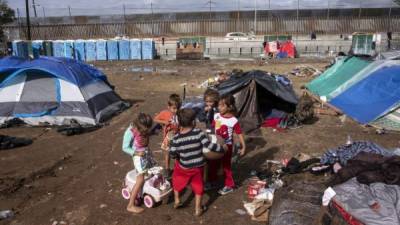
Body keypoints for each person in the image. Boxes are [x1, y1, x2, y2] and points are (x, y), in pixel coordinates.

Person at [169, 108, 226, 216]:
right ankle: (198, 209)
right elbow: (209, 145)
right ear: (194, 122)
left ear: (179, 123)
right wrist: (221, 148)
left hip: (184, 166)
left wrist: (177, 155)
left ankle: (177, 200)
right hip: (197, 167)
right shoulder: (199, 133)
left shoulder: (176, 139)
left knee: (176, 179)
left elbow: (172, 154)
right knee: (198, 185)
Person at [208, 95, 246, 195]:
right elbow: (212, 128)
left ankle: (229, 185)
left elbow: (239, 133)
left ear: (229, 107)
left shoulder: (233, 120)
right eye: (218, 105)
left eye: (222, 105)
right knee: (213, 163)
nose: (219, 107)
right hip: (216, 145)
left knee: (226, 166)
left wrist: (243, 146)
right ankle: (212, 181)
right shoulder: (216, 116)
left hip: (226, 147)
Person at [122, 113, 154, 214]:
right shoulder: (130, 131)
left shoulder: (143, 127)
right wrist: (136, 153)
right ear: (138, 126)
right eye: (145, 130)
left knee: (149, 170)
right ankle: (130, 205)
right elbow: (125, 147)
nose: (146, 131)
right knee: (140, 178)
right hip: (138, 157)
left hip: (144, 153)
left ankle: (142, 191)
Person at [154, 93, 182, 176]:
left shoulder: (180, 114)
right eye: (174, 108)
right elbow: (155, 119)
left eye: (177, 108)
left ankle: (179, 168)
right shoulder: (165, 113)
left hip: (178, 136)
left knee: (178, 153)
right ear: (168, 107)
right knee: (167, 153)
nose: (176, 110)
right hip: (168, 137)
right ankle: (167, 168)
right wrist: (164, 122)